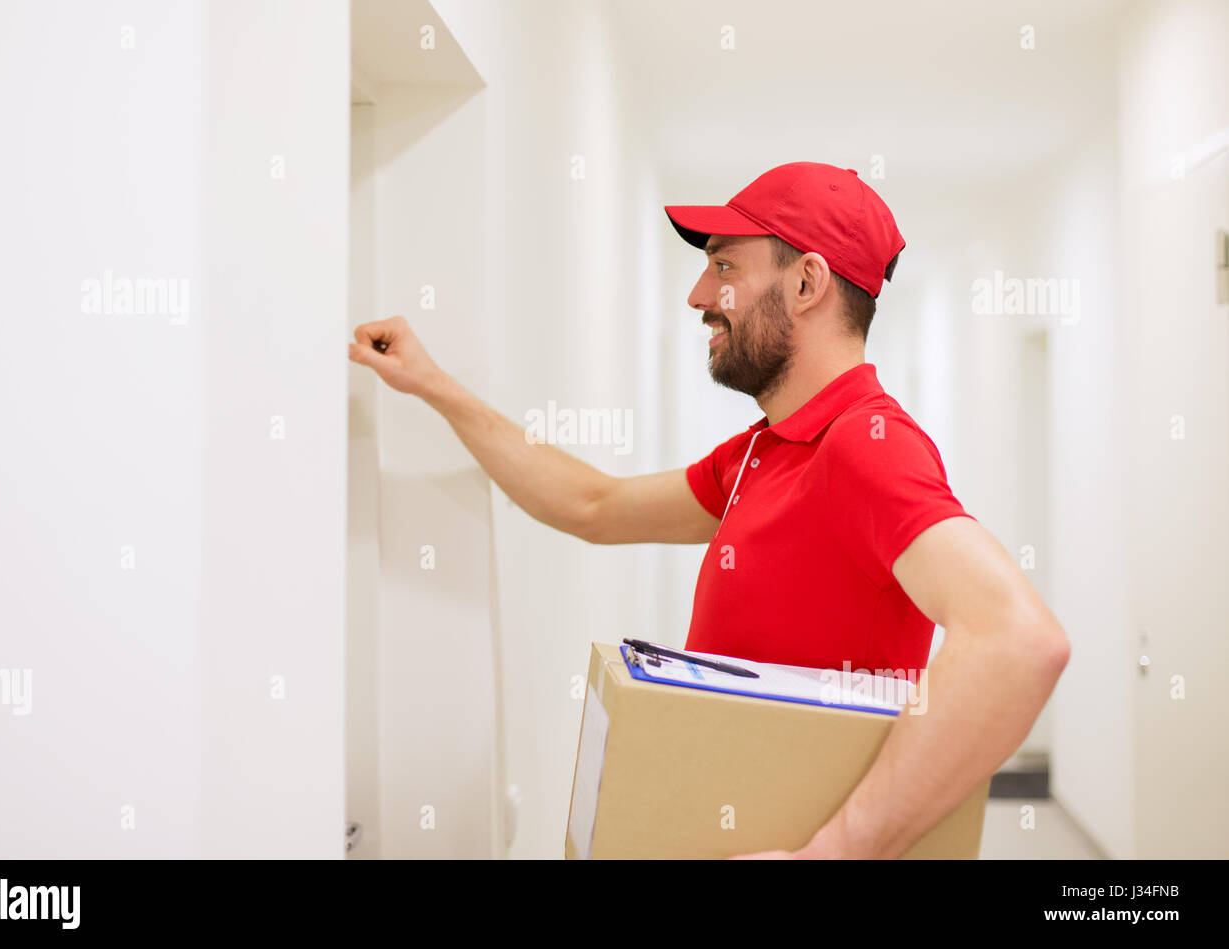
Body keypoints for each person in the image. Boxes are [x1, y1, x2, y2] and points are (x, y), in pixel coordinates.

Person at [348, 162, 1070, 859]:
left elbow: (1019, 641)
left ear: (807, 281)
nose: (698, 294)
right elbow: (594, 504)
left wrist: (839, 850)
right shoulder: (765, 450)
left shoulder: (867, 445)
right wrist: (435, 387)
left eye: (724, 266)